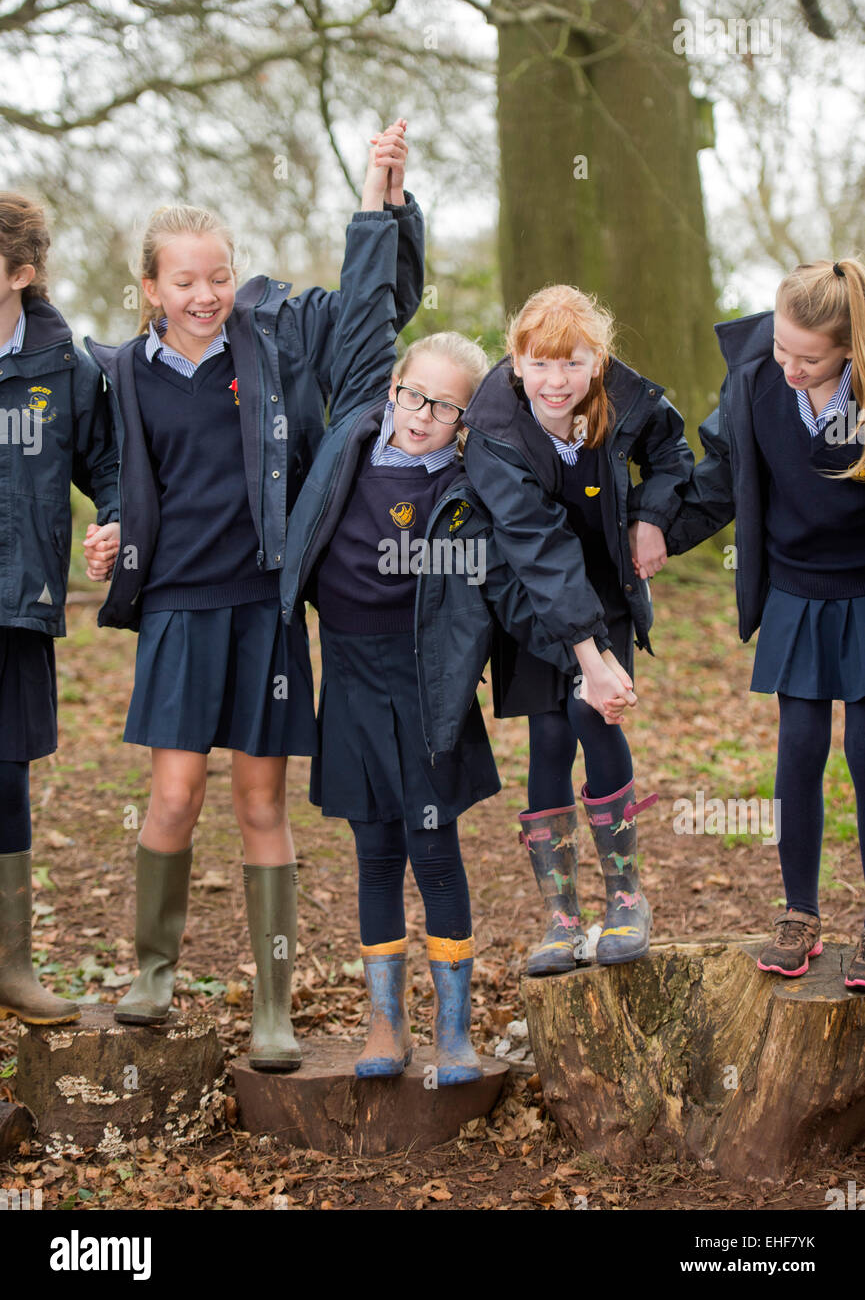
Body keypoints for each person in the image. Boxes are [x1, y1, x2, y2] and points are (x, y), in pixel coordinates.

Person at [82, 122, 424, 1068]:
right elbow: (114, 472)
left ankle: (273, 1007)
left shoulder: (273, 337)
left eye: (217, 275)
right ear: (150, 287)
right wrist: (112, 524)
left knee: (262, 805)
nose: (204, 294)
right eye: (184, 281)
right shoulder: (118, 374)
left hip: (265, 607)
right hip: (178, 610)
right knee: (178, 793)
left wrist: (378, 199)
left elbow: (370, 305)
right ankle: (154, 973)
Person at [281, 306, 499, 1084]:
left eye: (445, 407)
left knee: (433, 852)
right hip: (347, 675)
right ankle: (384, 1022)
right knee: (374, 852)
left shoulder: (469, 485)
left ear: (466, 419)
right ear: (394, 387)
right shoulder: (348, 444)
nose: (423, 416)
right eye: (414, 395)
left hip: (424, 684)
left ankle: (453, 1030)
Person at [462, 285, 693, 974]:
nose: (554, 381)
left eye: (571, 364)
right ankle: (561, 915)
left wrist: (649, 517)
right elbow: (536, 547)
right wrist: (583, 658)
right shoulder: (494, 433)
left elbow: (673, 455)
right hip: (530, 594)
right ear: (515, 362)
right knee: (549, 737)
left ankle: (625, 898)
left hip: (604, 594)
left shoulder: (628, 404)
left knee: (596, 723)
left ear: (597, 361)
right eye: (539, 364)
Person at [664, 258, 865, 987]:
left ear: (849, 349)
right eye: (780, 347)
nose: (787, 366)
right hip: (797, 587)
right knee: (798, 752)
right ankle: (799, 912)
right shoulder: (755, 381)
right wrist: (657, 526)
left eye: (807, 358)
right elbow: (717, 477)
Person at [0, 192, 119, 1025]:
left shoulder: (66, 368)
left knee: (6, 776)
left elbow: (108, 467)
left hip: (17, 604)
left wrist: (112, 521)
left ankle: (10, 967)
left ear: (21, 273)